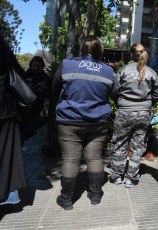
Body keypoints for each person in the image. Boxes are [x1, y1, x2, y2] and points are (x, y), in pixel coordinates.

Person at [52, 36, 115, 210]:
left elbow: (54, 89)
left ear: (82, 48)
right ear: (100, 50)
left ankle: (66, 199)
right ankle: (95, 196)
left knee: (71, 160)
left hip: (69, 120)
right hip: (98, 121)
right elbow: (113, 93)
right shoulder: (108, 71)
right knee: (94, 157)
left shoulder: (67, 64)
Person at [109, 43, 158, 188]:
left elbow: (114, 91)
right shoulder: (151, 72)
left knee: (119, 143)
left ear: (131, 54)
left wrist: (120, 101)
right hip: (143, 114)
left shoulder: (123, 70)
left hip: (124, 111)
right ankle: (131, 178)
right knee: (138, 146)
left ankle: (116, 176)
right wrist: (147, 104)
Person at [0, 10, 26, 209]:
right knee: (6, 152)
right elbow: (17, 72)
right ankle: (7, 194)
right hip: (3, 107)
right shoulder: (0, 47)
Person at [20, 56, 52, 143]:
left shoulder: (46, 78)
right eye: (34, 65)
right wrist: (26, 88)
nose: (36, 68)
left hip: (37, 109)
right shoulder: (24, 75)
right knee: (22, 129)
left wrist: (45, 88)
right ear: (31, 65)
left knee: (32, 131)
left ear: (42, 66)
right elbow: (16, 90)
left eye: (39, 66)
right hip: (23, 109)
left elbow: (51, 94)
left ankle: (19, 142)